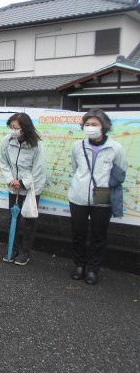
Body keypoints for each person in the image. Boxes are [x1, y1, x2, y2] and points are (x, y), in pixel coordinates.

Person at [68, 108, 127, 285]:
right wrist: (82, 183)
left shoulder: (115, 148)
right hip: (78, 195)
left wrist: (105, 185)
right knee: (78, 233)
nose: (90, 127)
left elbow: (120, 173)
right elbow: (75, 168)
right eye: (87, 124)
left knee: (99, 235)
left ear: (104, 126)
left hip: (102, 194)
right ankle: (79, 265)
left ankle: (93, 269)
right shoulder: (77, 146)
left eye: (94, 124)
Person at [0, 112, 47, 266]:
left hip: (31, 189)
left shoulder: (37, 145)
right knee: (13, 219)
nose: (13, 130)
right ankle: (12, 249)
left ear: (25, 128)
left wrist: (23, 182)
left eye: (16, 128)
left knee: (29, 221)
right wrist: (10, 180)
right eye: (11, 127)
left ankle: (25, 252)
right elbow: (3, 162)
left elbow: (39, 170)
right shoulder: (7, 141)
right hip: (13, 187)